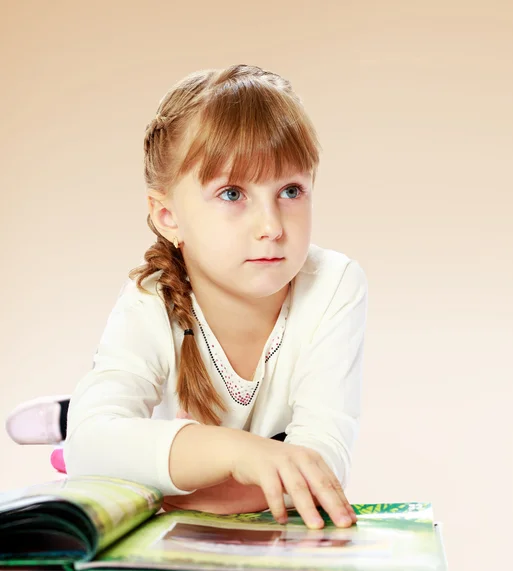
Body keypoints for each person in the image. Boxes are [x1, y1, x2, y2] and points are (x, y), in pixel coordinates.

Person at [5, 64, 367, 531]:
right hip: (177, 421)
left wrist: (186, 485)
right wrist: (235, 451)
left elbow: (321, 462)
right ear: (167, 215)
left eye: (291, 190)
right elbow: (89, 448)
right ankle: (70, 410)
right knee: (98, 417)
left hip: (186, 447)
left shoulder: (335, 284)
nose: (272, 228)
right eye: (233, 193)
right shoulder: (150, 299)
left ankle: (93, 410)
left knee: (133, 437)